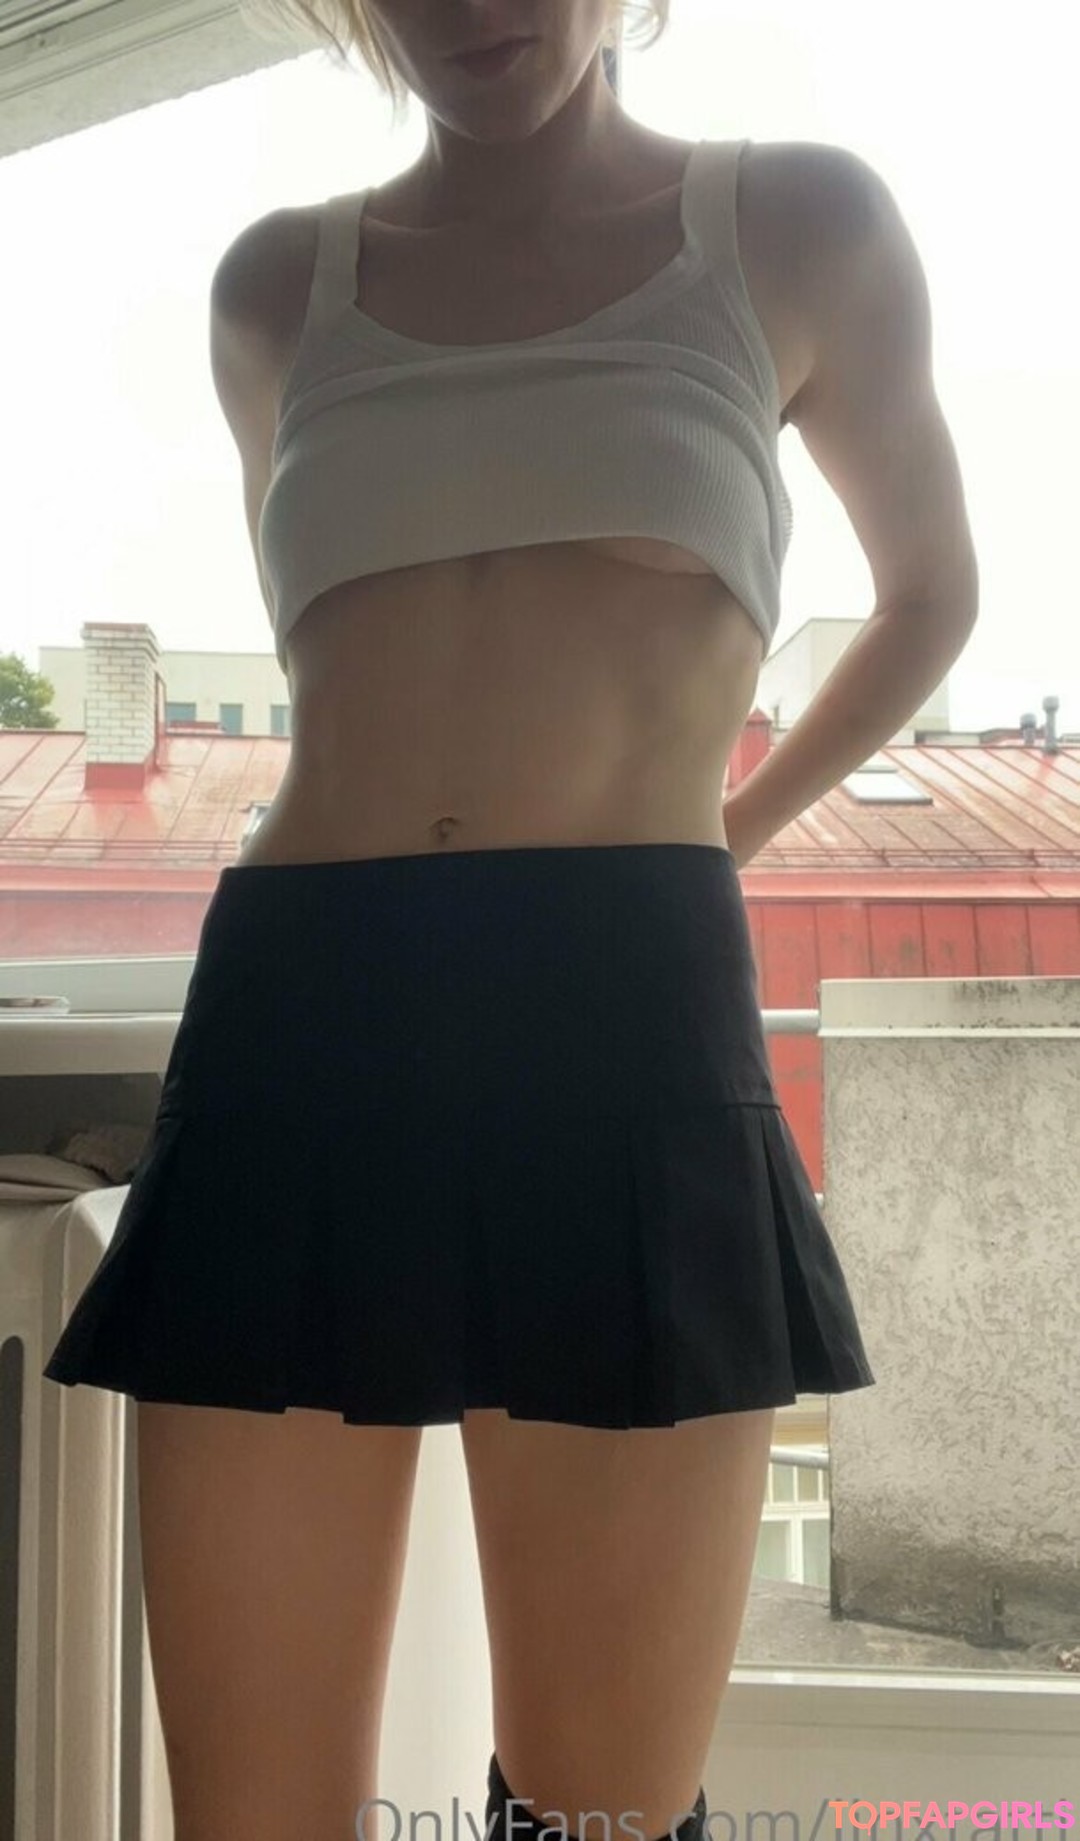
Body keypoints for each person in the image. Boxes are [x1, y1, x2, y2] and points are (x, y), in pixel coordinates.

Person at [42, 1, 980, 1836]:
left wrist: (716, 834)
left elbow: (931, 592)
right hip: (308, 1017)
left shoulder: (800, 225)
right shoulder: (274, 290)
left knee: (599, 1812)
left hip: (624, 1014)